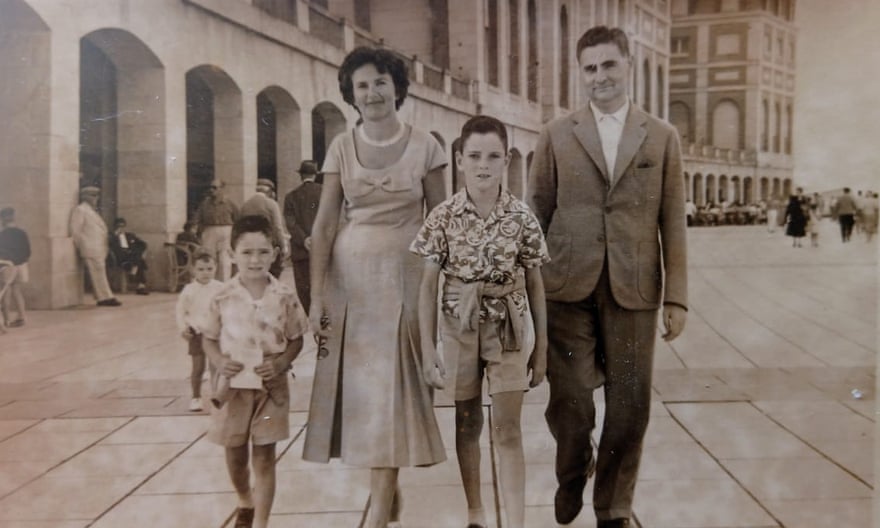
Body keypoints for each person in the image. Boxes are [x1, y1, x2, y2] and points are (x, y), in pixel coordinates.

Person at [526, 26, 687, 527]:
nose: (600, 77)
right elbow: (536, 210)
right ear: (581, 74)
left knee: (629, 405)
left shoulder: (661, 136)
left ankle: (613, 506)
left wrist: (677, 297)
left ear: (628, 66)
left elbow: (673, 220)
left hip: (633, 287)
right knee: (570, 396)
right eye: (590, 68)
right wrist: (523, 290)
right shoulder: (556, 132)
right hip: (566, 285)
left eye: (608, 65)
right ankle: (574, 468)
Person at [302, 46, 447, 528]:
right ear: (351, 94)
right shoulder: (341, 146)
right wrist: (318, 297)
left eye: (381, 82)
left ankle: (380, 507)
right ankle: (384, 493)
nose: (372, 92)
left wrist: (438, 294)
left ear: (397, 88)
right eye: (362, 85)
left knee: (393, 392)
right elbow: (323, 227)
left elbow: (440, 226)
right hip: (351, 287)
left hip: (405, 281)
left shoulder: (427, 145)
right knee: (364, 395)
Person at [411, 115, 549, 528]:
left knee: (507, 428)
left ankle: (517, 519)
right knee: (467, 422)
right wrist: (428, 346)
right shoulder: (443, 216)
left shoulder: (521, 217)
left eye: (493, 156)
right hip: (458, 327)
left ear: (506, 159)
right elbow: (427, 287)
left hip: (507, 327)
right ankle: (475, 512)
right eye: (474, 156)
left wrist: (540, 347)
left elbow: (537, 285)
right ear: (459, 160)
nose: (483, 165)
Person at [202, 215, 308, 528]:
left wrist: (282, 361)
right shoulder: (221, 296)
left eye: (263, 252)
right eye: (246, 252)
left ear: (275, 254)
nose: (255, 259)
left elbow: (296, 339)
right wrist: (220, 361)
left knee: (264, 455)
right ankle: (244, 499)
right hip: (233, 386)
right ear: (231, 254)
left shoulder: (285, 295)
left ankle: (261, 522)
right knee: (235, 454)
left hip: (271, 387)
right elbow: (207, 339)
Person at [175, 249, 225, 412]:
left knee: (215, 366)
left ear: (215, 268)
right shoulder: (189, 290)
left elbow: (227, 307)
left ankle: (217, 394)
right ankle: (196, 397)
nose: (205, 273)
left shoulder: (221, 288)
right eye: (201, 269)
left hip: (215, 332)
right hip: (196, 332)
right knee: (198, 367)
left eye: (209, 269)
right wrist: (183, 328)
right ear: (193, 270)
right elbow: (180, 311)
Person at [69, 186, 121, 307]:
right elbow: (75, 230)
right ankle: (105, 297)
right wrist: (83, 245)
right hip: (90, 247)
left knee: (100, 272)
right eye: (93, 196)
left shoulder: (91, 211)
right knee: (98, 273)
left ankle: (105, 296)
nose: (96, 198)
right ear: (86, 197)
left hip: (98, 247)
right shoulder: (80, 210)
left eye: (96, 196)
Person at [283, 160, 323, 314]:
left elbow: (290, 223)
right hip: (322, 248)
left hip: (301, 251)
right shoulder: (325, 192)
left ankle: (309, 315)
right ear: (315, 175)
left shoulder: (291, 196)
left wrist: (304, 239)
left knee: (303, 286)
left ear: (301, 176)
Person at [241, 178, 289, 278]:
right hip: (267, 245)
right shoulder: (271, 204)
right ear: (269, 191)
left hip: (249, 245)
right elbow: (277, 228)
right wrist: (283, 246)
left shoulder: (245, 205)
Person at [194, 179, 239, 281]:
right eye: (210, 187)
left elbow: (237, 219)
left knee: (225, 260)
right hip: (209, 231)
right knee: (208, 257)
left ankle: (224, 284)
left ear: (222, 189)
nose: (211, 190)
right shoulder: (204, 204)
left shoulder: (230, 203)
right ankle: (208, 282)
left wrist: (235, 236)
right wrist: (198, 233)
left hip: (226, 232)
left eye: (214, 188)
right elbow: (198, 219)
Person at [0, 207, 31, 327]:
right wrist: (20, 261)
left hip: (7, 266)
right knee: (17, 291)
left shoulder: (2, 235)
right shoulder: (22, 233)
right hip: (21, 266)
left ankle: (7, 320)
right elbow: (27, 251)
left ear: (3, 220)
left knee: (5, 292)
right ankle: (22, 317)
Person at [109, 217, 150, 295]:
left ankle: (135, 275)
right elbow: (111, 246)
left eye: (123, 226)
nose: (121, 228)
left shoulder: (130, 235)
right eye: (119, 226)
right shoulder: (112, 236)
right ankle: (140, 286)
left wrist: (143, 253)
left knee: (138, 256)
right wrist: (115, 235)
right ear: (115, 227)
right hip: (121, 259)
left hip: (131, 257)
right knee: (139, 261)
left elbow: (143, 244)